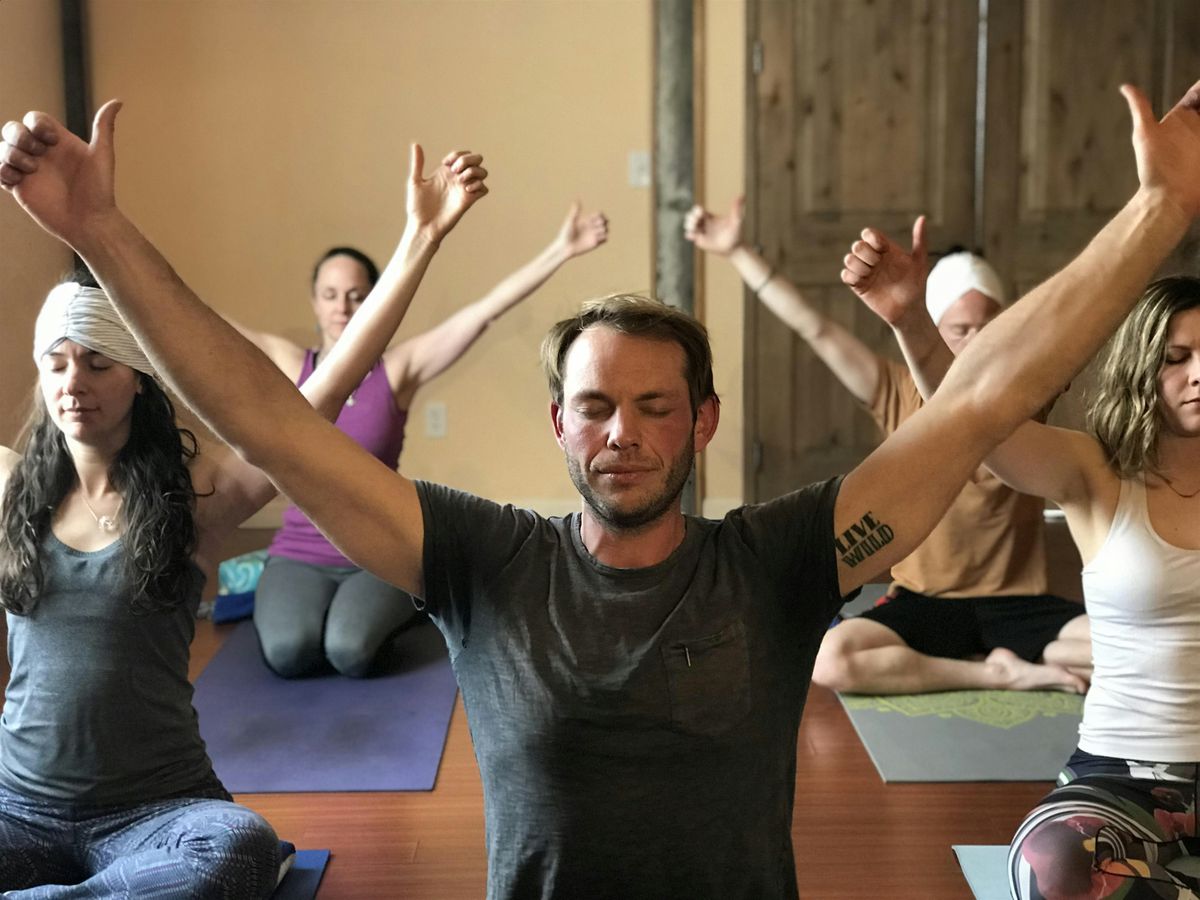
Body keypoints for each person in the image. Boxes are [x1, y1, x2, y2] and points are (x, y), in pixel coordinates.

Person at [3, 79, 1199, 899]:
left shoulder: (779, 563)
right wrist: (101, 230)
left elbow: (981, 400)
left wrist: (1160, 213)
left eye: (656, 405)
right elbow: (268, 419)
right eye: (594, 405)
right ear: (558, 425)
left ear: (703, 423)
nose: (623, 432)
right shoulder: (482, 561)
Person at [0, 138, 487, 896]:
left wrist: (420, 238)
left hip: (156, 813)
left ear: (138, 378)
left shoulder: (194, 500)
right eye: (56, 362)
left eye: (97, 361)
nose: (74, 382)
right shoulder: (10, 489)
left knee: (239, 849)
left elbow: (320, 395)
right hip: (20, 811)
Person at [850, 245, 1200, 892]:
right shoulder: (1097, 473)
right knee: (1050, 868)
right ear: (1143, 368)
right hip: (1123, 772)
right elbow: (976, 421)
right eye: (1177, 358)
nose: (1198, 374)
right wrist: (911, 322)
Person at [685, 200, 1090, 695]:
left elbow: (1077, 324)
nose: (975, 341)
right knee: (831, 659)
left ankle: (1006, 655)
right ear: (934, 329)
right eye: (960, 330)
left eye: (988, 326)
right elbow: (815, 328)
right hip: (925, 602)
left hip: (1019, 603)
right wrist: (738, 252)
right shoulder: (896, 389)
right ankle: (995, 671)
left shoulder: (1025, 396)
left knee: (1139, 649)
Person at [228, 204, 607, 679]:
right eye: (330, 295)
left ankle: (414, 595)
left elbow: (482, 313)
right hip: (300, 552)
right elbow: (210, 328)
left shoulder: (397, 370)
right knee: (289, 653)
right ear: (315, 302)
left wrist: (561, 249)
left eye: (355, 295)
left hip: (378, 547)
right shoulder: (291, 365)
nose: (342, 307)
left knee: (350, 652)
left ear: (375, 300)